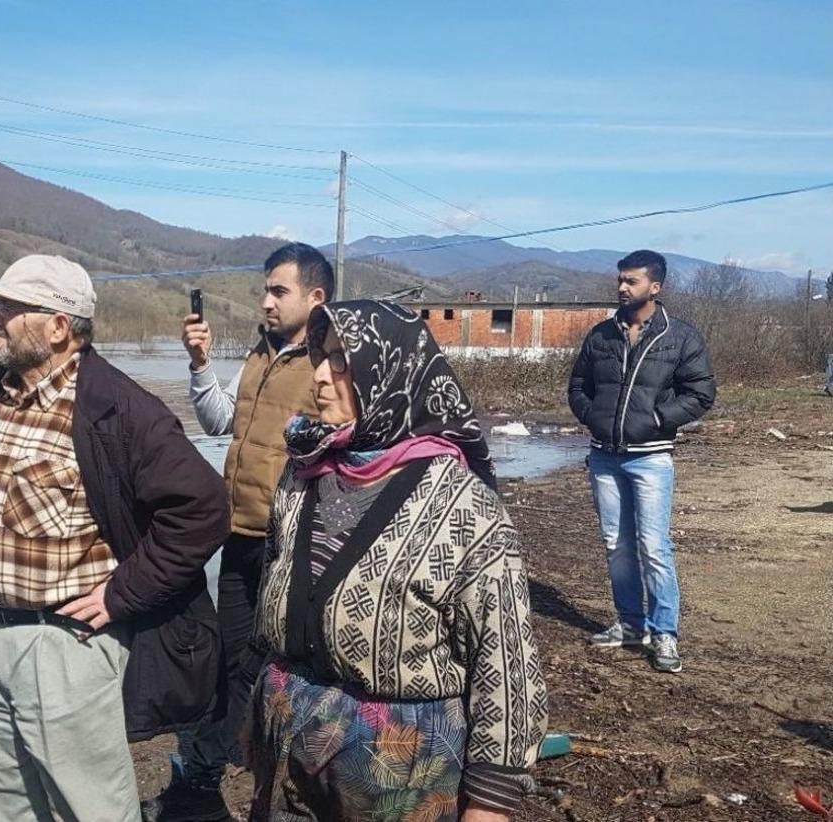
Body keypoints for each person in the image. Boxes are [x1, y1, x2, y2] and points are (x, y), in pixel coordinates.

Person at [0, 254, 230, 821]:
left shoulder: (119, 410)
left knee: (89, 806)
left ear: (58, 326)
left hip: (63, 645)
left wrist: (121, 595)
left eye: (9, 307)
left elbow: (202, 508)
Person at [247, 300, 548, 822]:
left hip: (401, 770)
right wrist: (259, 710)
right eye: (320, 357)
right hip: (291, 745)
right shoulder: (303, 474)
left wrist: (491, 803)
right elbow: (273, 598)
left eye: (341, 360)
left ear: (387, 372)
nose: (319, 376)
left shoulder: (463, 504)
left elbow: (506, 664)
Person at [142, 242, 331, 822]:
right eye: (265, 290)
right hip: (240, 534)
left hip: (290, 543)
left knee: (277, 663)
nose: (267, 302)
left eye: (280, 291)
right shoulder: (262, 352)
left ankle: (280, 784)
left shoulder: (330, 362)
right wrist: (200, 366)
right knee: (227, 660)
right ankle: (204, 775)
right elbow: (223, 421)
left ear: (315, 297)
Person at [568, 249, 715, 673]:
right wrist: (592, 416)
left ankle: (664, 633)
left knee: (653, 547)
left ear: (655, 287)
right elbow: (579, 385)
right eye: (620, 279)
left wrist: (656, 419)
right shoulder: (602, 335)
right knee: (617, 546)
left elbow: (701, 393)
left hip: (650, 459)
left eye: (630, 281)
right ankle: (631, 624)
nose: (621, 287)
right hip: (605, 458)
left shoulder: (680, 337)